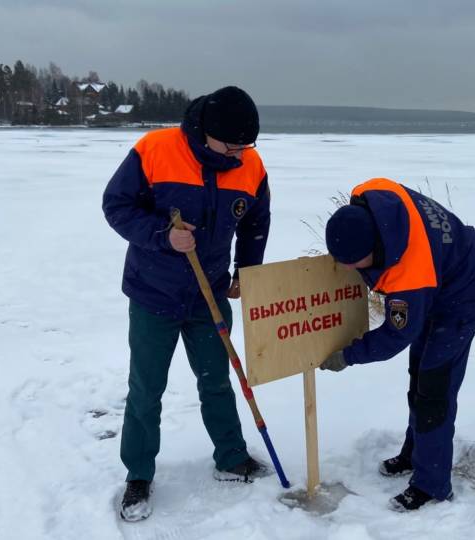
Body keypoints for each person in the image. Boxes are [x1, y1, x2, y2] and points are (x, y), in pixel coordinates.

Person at [102, 86, 272, 522]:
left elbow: (255, 221)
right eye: (232, 144)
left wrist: (244, 272)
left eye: (246, 145)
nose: (239, 153)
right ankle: (138, 473)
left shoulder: (249, 165)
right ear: (205, 132)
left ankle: (231, 457)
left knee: (217, 379)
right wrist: (164, 235)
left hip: (209, 293)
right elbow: (116, 205)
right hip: (153, 293)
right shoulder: (156, 150)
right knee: (147, 389)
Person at [320, 177, 475, 511]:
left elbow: (396, 335)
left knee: (433, 389)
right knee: (419, 373)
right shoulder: (370, 194)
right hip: (440, 272)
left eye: (351, 263)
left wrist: (348, 355)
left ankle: (433, 485)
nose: (343, 269)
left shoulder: (409, 276)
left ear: (374, 250)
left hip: (463, 294)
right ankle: (416, 454)